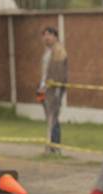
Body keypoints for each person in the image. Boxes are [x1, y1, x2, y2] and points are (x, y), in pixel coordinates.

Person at [38, 26, 68, 154]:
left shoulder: (59, 51)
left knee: (53, 117)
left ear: (55, 36)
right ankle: (50, 144)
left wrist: (55, 86)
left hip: (54, 89)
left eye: (49, 34)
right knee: (49, 118)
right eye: (44, 35)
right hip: (44, 88)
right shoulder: (47, 52)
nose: (46, 37)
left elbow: (60, 73)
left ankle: (55, 146)